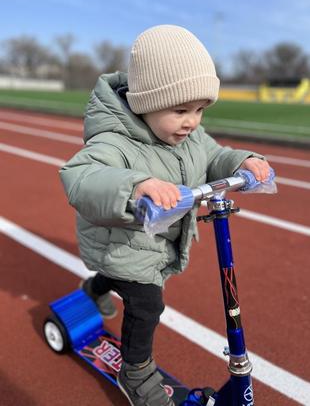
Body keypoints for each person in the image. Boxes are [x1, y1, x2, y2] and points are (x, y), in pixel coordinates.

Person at [60, 25, 271, 406]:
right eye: (180, 110)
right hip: (122, 240)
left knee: (116, 279)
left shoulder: (188, 136)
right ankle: (136, 371)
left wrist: (242, 161)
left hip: (154, 241)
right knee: (146, 303)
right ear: (145, 103)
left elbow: (213, 154)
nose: (192, 121)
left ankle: (92, 289)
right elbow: (82, 177)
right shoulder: (114, 140)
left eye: (200, 110)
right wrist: (136, 184)